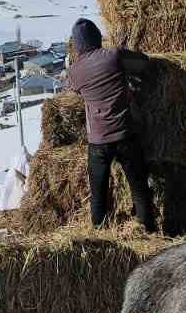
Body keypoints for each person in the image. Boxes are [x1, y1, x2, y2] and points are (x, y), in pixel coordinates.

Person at [65, 18, 158, 233]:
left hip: (97, 142)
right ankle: (149, 232)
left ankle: (99, 235)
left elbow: (75, 90)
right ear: (97, 37)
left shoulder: (75, 71)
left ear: (78, 45)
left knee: (98, 195)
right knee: (139, 189)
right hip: (125, 134)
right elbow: (144, 63)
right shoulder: (114, 55)